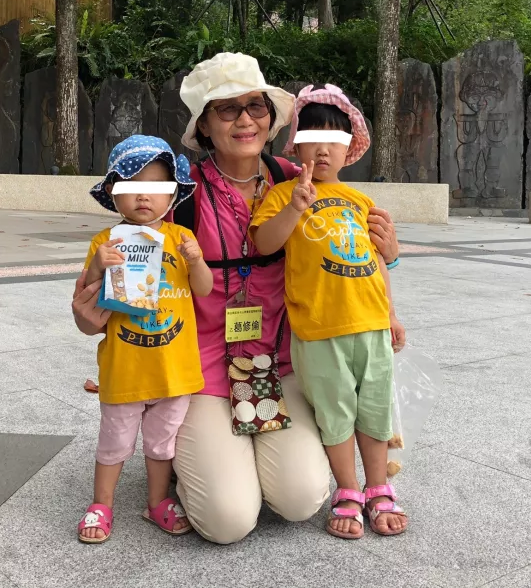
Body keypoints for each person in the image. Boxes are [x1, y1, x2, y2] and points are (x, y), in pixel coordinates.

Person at [159, 52, 403, 545]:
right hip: (206, 368)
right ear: (203, 124)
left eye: (256, 106)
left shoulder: (299, 176)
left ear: (271, 118)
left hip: (284, 361)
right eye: (227, 109)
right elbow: (147, 273)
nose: (245, 120)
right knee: (228, 520)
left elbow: (351, 252)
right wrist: (120, 346)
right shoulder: (182, 194)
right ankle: (196, 463)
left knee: (300, 498)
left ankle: (252, 457)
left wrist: (390, 254)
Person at [251, 84, 407, 540]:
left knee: (374, 411)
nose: (322, 149)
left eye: (334, 140)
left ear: (348, 149)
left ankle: (379, 488)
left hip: (371, 325)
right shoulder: (283, 195)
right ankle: (349, 489)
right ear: (296, 147)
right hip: (319, 330)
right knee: (335, 413)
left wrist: (391, 313)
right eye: (312, 138)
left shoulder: (361, 202)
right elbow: (264, 243)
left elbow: (378, 261)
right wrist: (293, 209)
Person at [75, 136, 213, 544]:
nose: (143, 196)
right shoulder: (106, 242)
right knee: (113, 442)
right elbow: (86, 302)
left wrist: (196, 261)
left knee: (162, 445)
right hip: (125, 367)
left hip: (174, 369)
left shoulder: (181, 238)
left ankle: (157, 501)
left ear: (173, 194)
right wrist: (98, 267)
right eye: (132, 186)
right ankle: (101, 503)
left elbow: (204, 289)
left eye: (156, 187)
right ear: (113, 193)